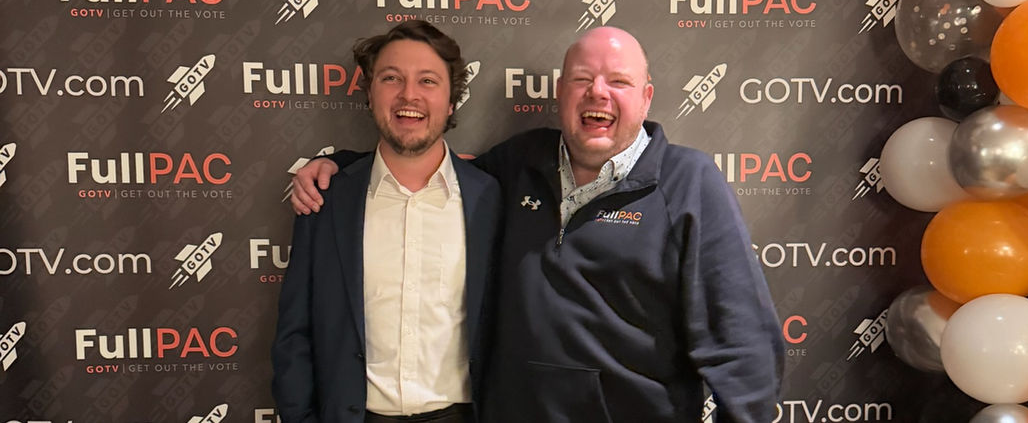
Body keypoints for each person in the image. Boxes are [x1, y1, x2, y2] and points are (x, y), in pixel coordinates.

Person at [291, 26, 784, 423]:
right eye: (582, 79)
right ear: (560, 93)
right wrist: (341, 169)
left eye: (618, 81)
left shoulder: (688, 181)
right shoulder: (517, 164)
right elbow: (420, 161)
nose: (598, 92)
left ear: (646, 97)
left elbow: (743, 344)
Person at [272, 20, 503, 423]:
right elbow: (295, 333)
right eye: (391, 78)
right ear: (369, 93)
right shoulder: (326, 199)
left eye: (428, 81)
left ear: (452, 101)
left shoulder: (492, 197)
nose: (408, 95)